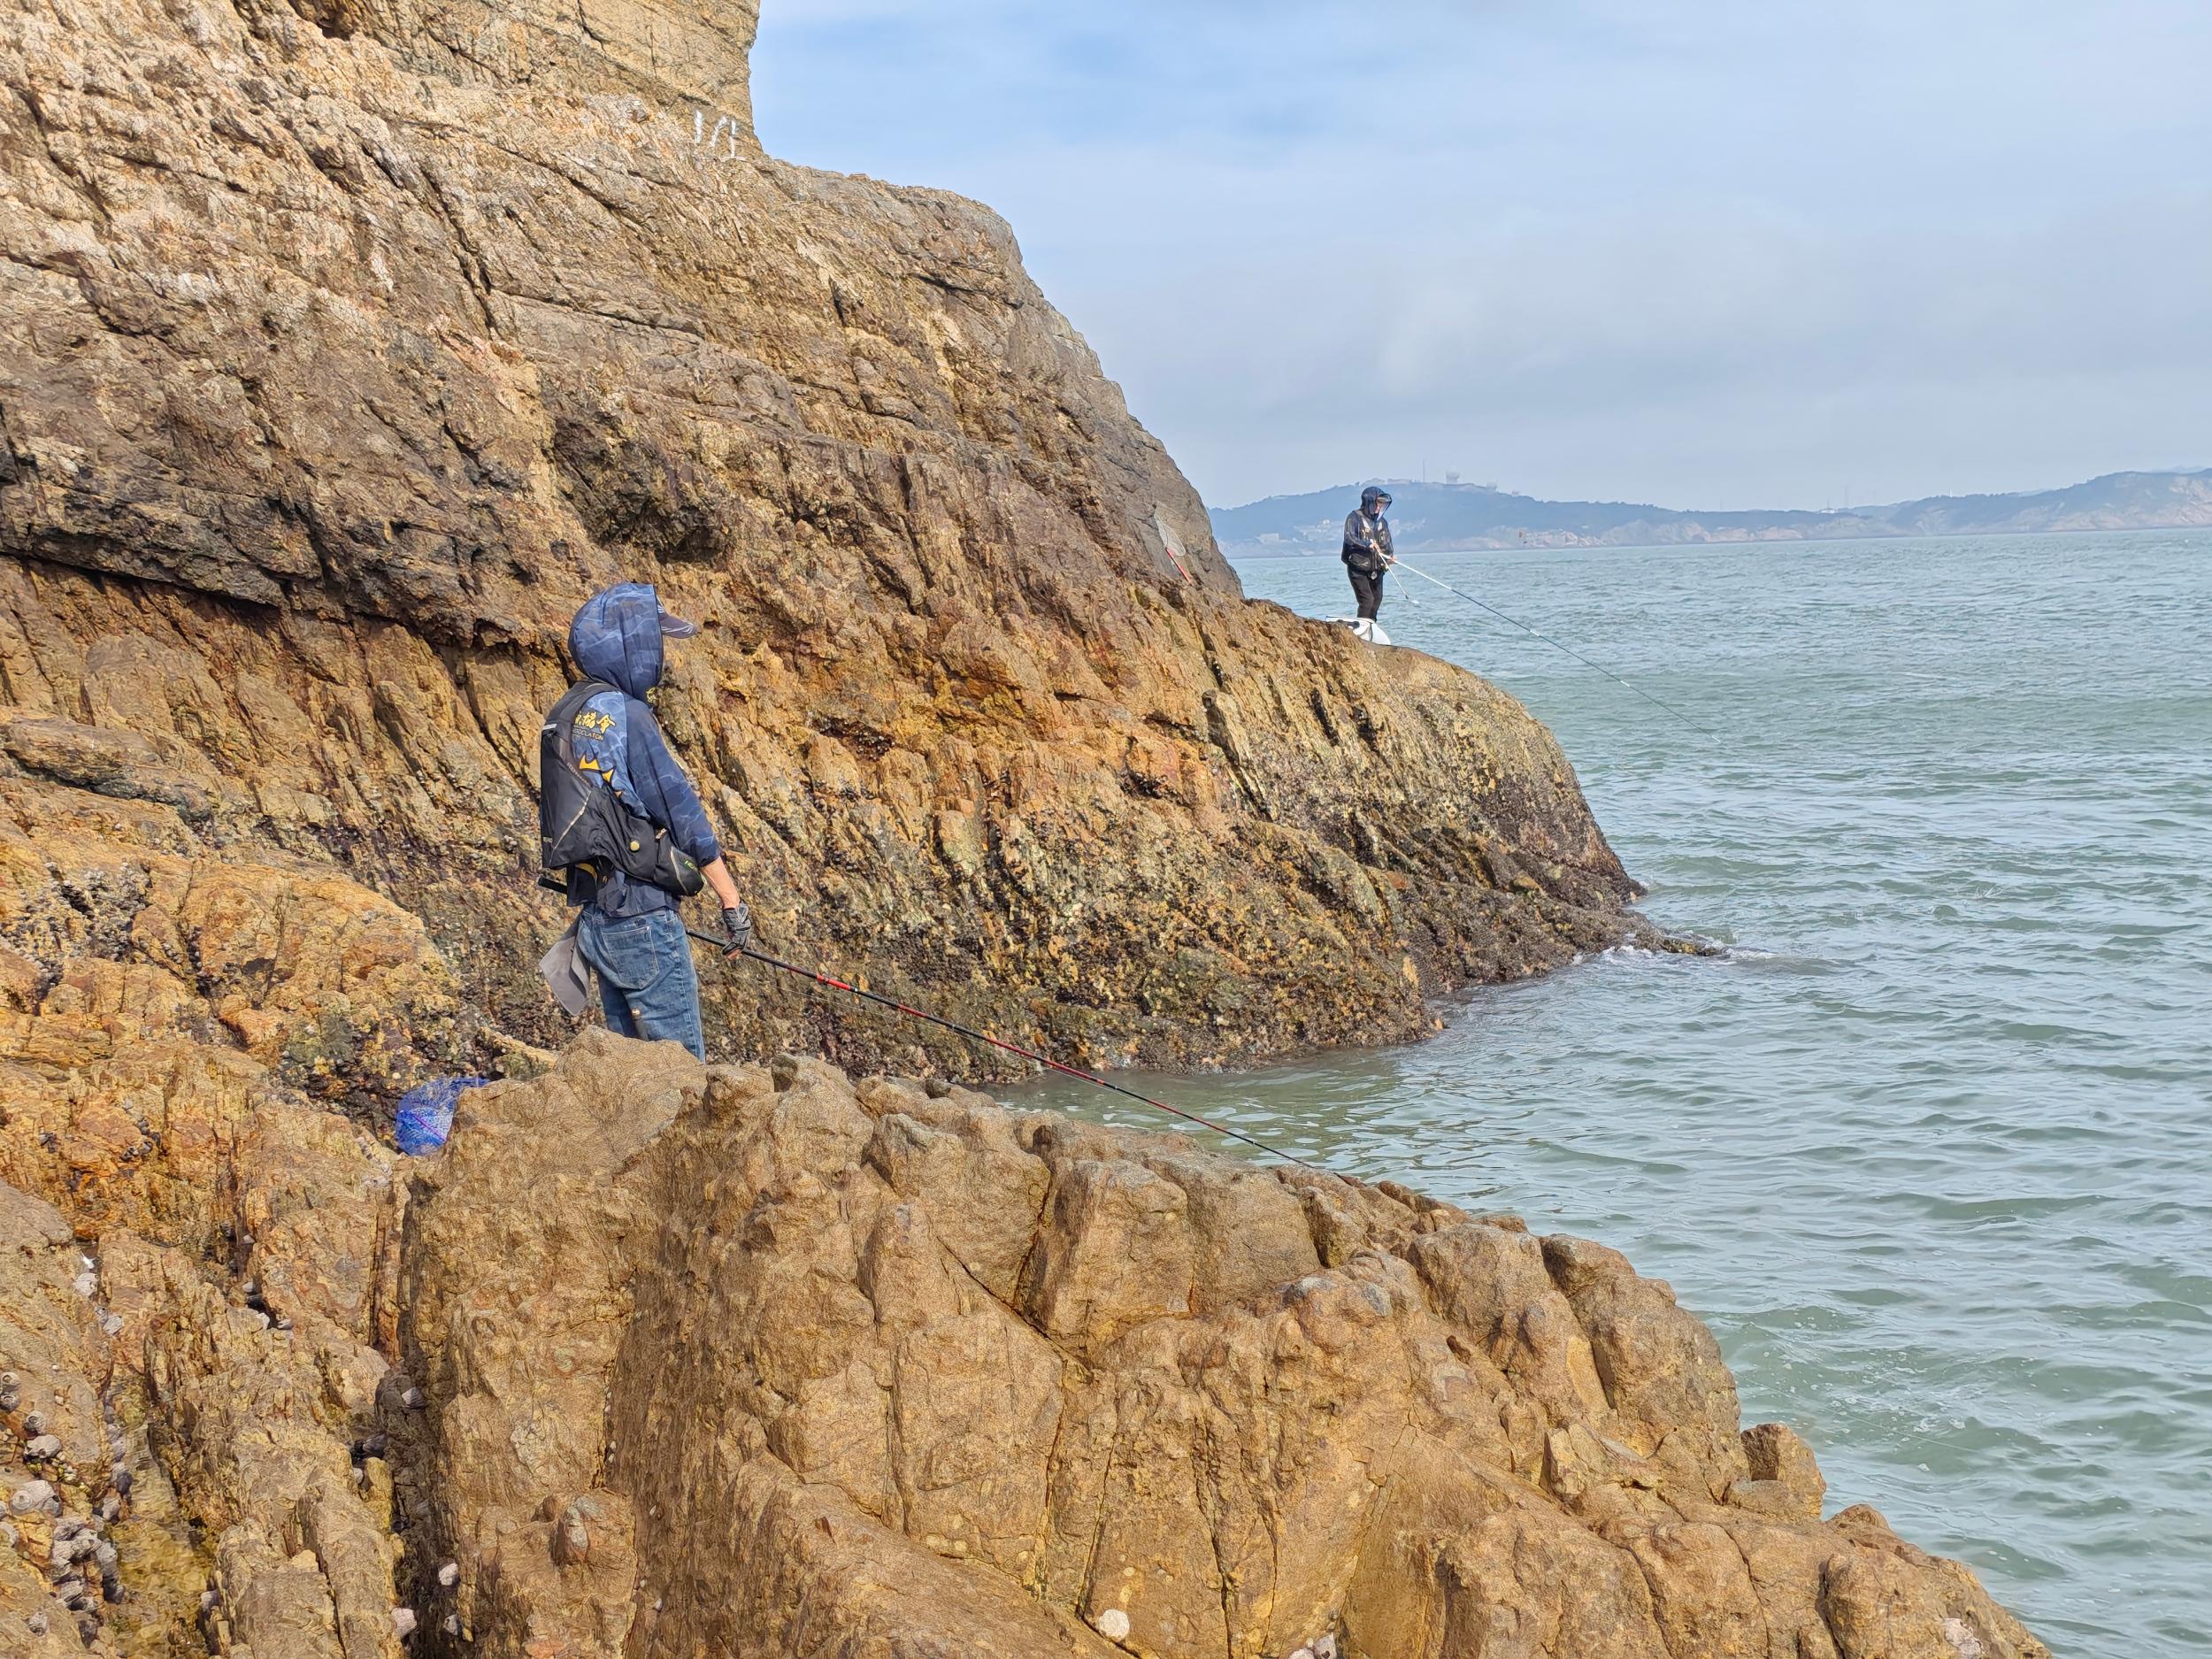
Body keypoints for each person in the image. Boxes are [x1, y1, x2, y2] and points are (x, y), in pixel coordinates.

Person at [539, 582, 750, 1061]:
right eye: (655, 643)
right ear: (628, 647)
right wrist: (731, 902)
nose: (661, 659)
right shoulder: (630, 715)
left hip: (597, 920)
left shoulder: (566, 714)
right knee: (681, 1077)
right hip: (642, 920)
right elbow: (682, 812)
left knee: (632, 1076)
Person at [1341, 486, 1395, 622]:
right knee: (1367, 600)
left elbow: (1386, 543)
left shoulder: (1382, 522)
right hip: (1358, 568)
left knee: (1377, 599)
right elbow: (1349, 538)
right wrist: (1367, 545)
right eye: (1378, 504)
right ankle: (1363, 628)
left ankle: (1371, 626)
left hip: (1377, 568)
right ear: (1369, 502)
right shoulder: (1353, 518)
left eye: (1382, 505)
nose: (1380, 508)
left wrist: (1389, 557)